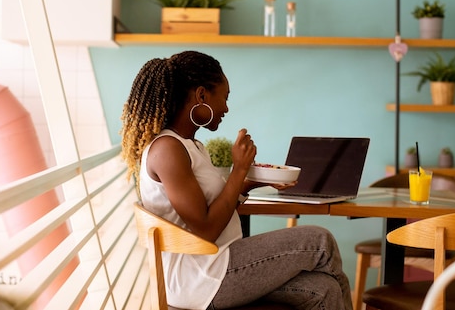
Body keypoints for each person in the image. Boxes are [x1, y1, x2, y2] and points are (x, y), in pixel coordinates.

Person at [120, 50, 353, 310]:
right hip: (201, 276)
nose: (227, 108)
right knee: (320, 241)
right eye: (225, 97)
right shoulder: (167, 150)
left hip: (216, 267)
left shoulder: (191, 146)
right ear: (201, 96)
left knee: (324, 290)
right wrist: (238, 169)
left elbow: (212, 210)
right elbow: (206, 229)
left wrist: (247, 184)